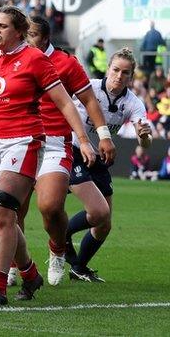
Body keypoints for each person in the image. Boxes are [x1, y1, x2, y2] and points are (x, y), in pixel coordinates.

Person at [0, 6, 97, 306]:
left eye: (4, 26)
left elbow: (65, 103)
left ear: (19, 31)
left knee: (2, 211)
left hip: (24, 140)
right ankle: (30, 273)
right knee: (5, 214)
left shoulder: (35, 59)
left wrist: (84, 140)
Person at [20, 16, 115, 286]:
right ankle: (16, 263)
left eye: (32, 35)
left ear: (46, 38)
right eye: (25, 35)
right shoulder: (16, 59)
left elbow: (88, 100)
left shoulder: (66, 63)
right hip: (18, 140)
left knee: (50, 207)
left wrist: (101, 136)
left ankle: (57, 248)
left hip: (55, 142)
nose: (27, 40)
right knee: (12, 211)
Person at [66, 48, 151, 282]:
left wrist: (144, 135)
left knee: (105, 224)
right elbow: (61, 103)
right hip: (74, 151)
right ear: (108, 68)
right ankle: (62, 234)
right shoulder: (89, 87)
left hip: (100, 159)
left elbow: (146, 139)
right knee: (97, 212)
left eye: (125, 73)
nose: (119, 76)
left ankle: (78, 267)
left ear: (131, 76)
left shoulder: (133, 103)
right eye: (115, 70)